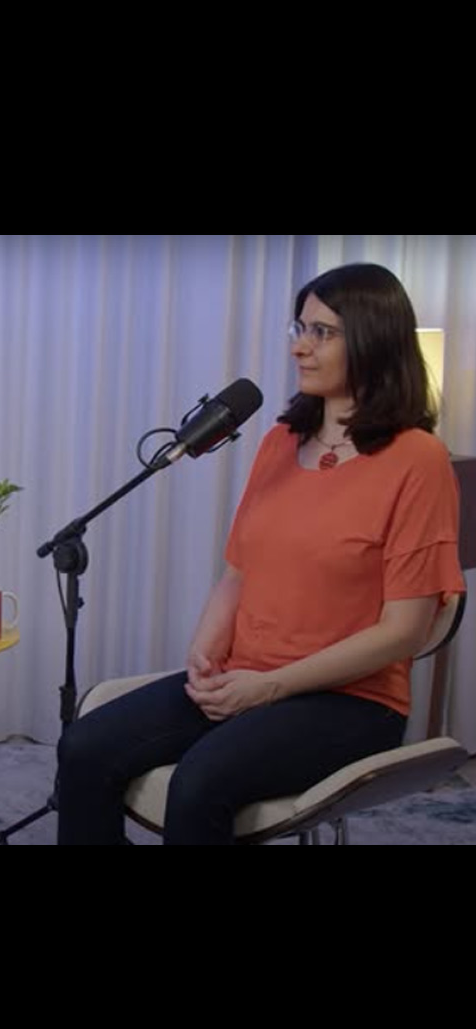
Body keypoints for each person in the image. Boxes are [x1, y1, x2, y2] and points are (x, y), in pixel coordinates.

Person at [57, 262, 466, 845]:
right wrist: (205, 650)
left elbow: (403, 631)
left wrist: (270, 687)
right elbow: (239, 570)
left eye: (322, 332)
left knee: (200, 782)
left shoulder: (418, 460)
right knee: (83, 748)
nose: (300, 346)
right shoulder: (280, 441)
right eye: (298, 328)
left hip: (350, 701)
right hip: (244, 675)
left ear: (374, 339)